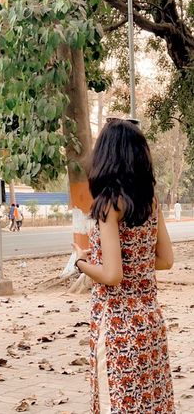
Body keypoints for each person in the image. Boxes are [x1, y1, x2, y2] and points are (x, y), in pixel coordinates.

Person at [73, 119, 175, 413]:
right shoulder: (151, 202)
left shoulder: (108, 205)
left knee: (116, 405)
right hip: (150, 324)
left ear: (105, 156)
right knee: (152, 404)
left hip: (119, 329)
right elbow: (166, 260)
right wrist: (133, 262)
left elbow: (112, 275)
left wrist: (82, 262)